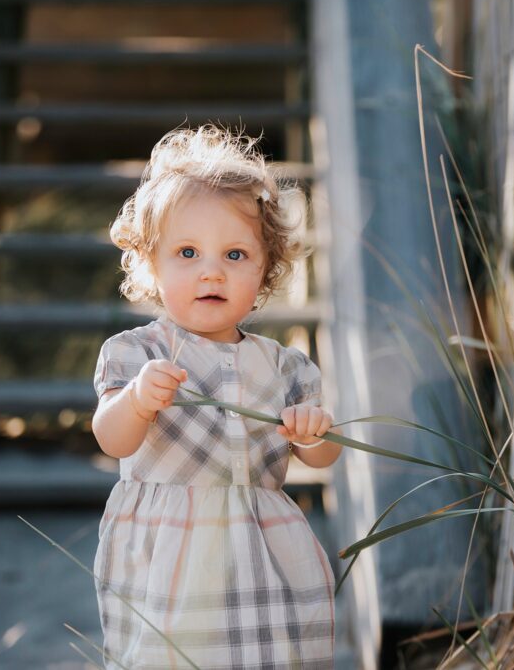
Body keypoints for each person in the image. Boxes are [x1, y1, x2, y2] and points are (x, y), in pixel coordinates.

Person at [90, 125, 340, 668]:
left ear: (265, 269)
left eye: (234, 254)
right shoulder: (135, 353)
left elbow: (323, 455)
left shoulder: (285, 366)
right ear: (151, 264)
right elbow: (111, 439)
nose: (211, 271)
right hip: (167, 549)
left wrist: (314, 431)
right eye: (187, 252)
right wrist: (136, 401)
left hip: (260, 545)